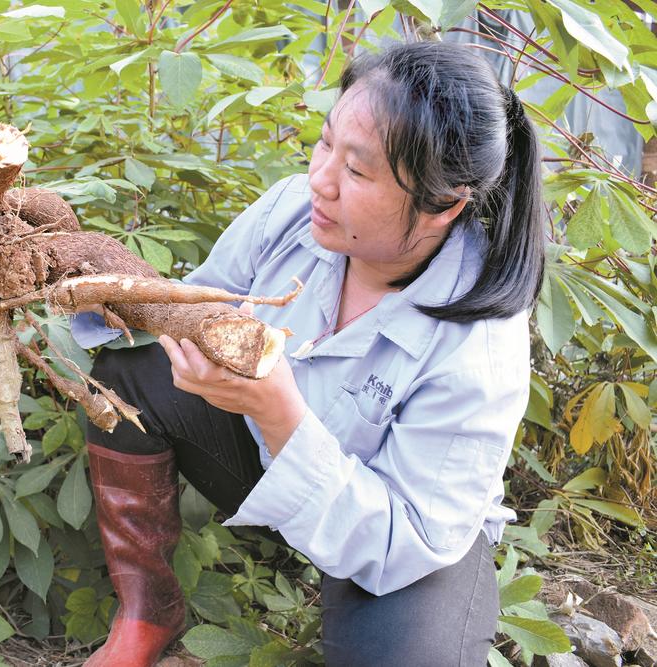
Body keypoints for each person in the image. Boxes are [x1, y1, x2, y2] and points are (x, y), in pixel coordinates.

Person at [70, 39, 544, 667]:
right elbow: (193, 304)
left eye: (358, 172)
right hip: (258, 452)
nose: (320, 180)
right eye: (325, 144)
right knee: (131, 372)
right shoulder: (294, 209)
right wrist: (93, 277)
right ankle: (146, 610)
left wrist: (279, 412)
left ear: (444, 205)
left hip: (398, 534)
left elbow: (409, 538)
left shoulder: (478, 347)